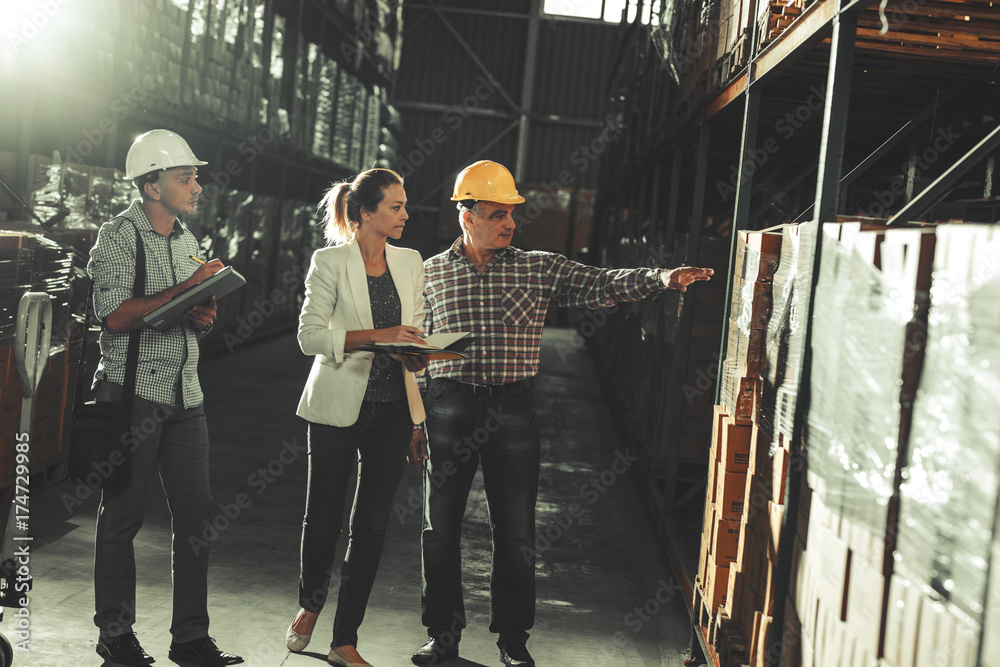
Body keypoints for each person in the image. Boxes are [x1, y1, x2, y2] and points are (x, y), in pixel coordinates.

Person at [410, 161, 714, 667]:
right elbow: (415, 348)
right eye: (495, 214)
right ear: (466, 216)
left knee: (516, 530)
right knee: (439, 528)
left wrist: (661, 277)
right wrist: (418, 418)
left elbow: (601, 284)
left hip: (512, 408)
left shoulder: (539, 267)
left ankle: (513, 640)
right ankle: (442, 635)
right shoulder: (428, 272)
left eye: (511, 214)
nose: (509, 224)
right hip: (449, 403)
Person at [88, 129, 243, 667]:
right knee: (123, 517)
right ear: (151, 186)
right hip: (135, 394)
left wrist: (202, 311)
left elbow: (181, 315)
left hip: (186, 394)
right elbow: (113, 316)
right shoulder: (118, 237)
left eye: (194, 176)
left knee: (196, 519)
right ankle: (116, 633)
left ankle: (191, 638)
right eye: (185, 177)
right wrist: (187, 289)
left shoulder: (185, 239)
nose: (197, 185)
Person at [286, 168, 430, 667]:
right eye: (395, 206)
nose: (405, 214)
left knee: (370, 527)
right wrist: (375, 335)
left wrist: (420, 357)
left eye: (404, 206)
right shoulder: (330, 262)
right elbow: (309, 338)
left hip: (393, 411)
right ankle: (310, 603)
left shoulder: (410, 263)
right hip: (336, 405)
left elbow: (416, 329)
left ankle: (345, 640)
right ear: (366, 212)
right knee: (323, 519)